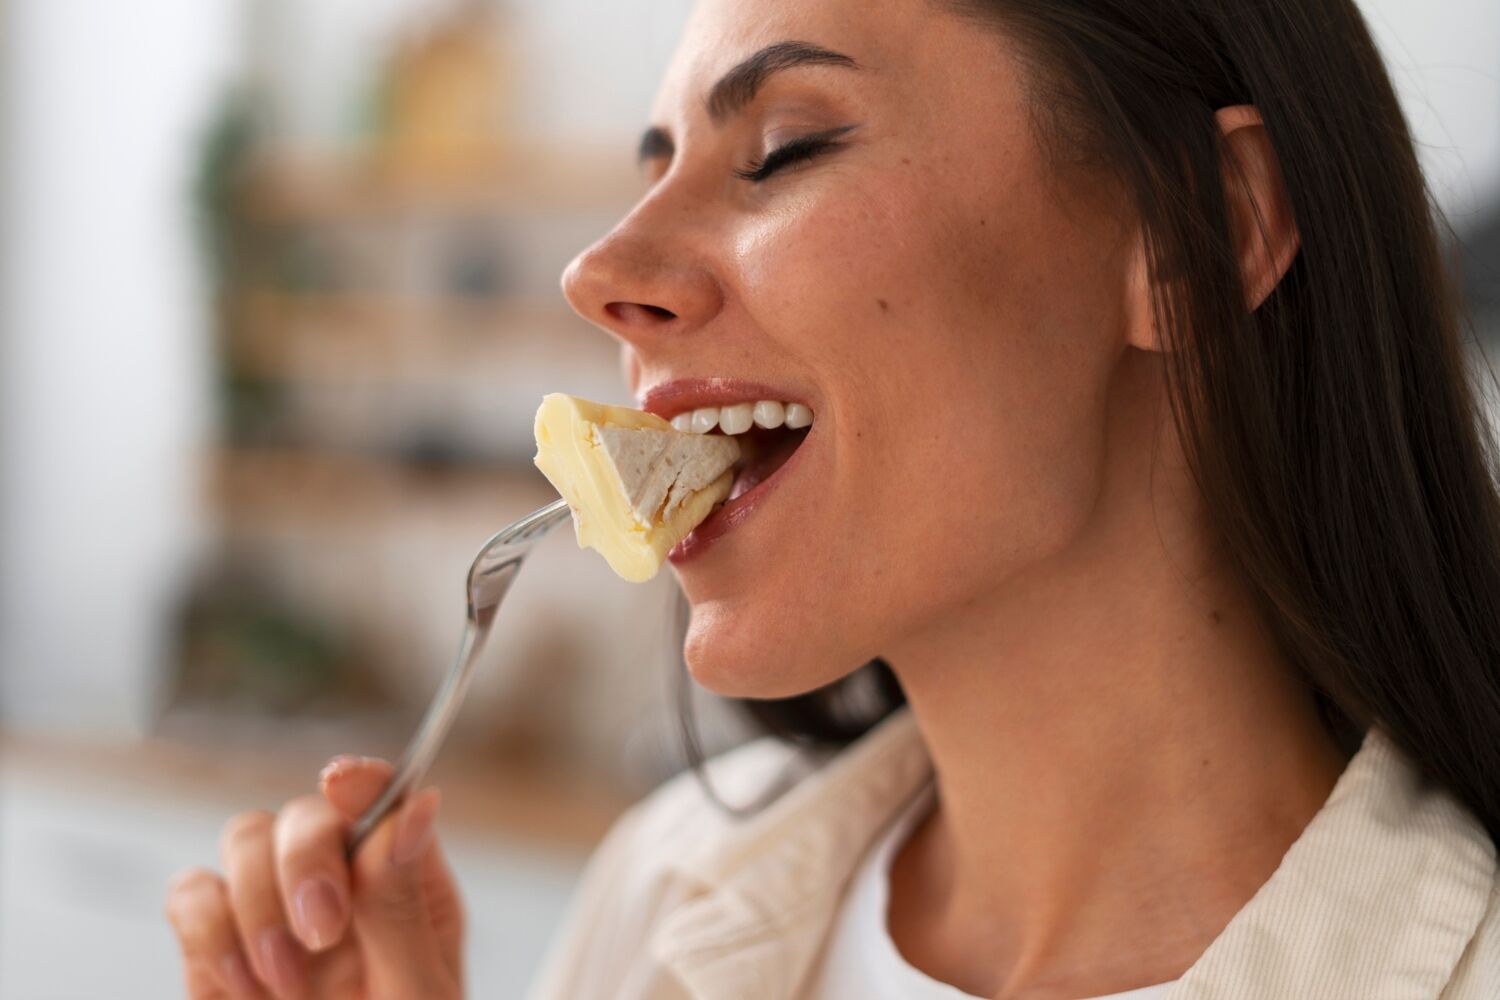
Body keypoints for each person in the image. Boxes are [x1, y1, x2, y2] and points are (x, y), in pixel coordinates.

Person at [165, 0, 1500, 996]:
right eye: (651, 173)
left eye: (785, 149)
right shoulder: (657, 900)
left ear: (1198, 233)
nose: (600, 273)